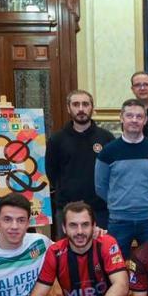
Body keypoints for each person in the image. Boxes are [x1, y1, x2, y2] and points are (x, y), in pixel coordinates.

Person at [95, 99, 148, 258]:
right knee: (116, 266)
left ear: (145, 120)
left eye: (139, 116)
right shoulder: (108, 152)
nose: (134, 120)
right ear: (121, 118)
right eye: (129, 116)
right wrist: (118, 202)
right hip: (118, 221)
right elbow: (100, 186)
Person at [46, 89, 115, 229]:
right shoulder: (57, 139)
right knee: (67, 250)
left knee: (101, 249)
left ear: (92, 107)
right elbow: (52, 172)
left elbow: (113, 172)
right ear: (68, 108)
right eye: (76, 104)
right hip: (67, 208)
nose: (81, 109)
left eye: (85, 104)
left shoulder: (106, 138)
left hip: (100, 209)